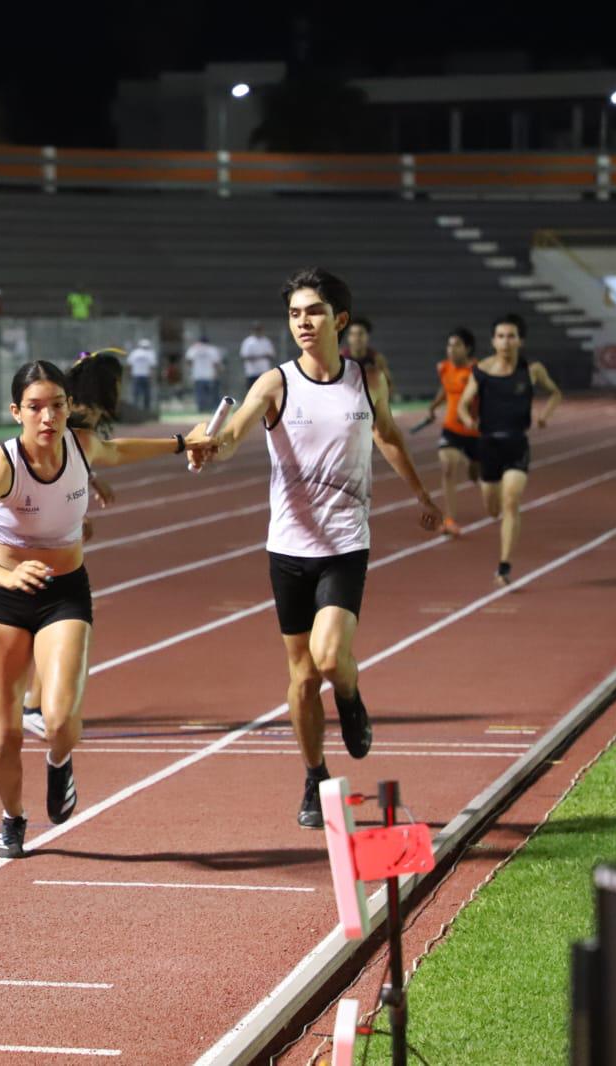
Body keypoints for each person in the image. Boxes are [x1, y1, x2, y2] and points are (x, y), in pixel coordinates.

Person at [187, 268, 441, 830]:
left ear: (340, 320)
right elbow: (231, 437)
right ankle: (314, 773)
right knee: (301, 677)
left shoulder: (366, 380)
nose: (303, 322)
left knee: (329, 660)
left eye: (315, 312)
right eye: (296, 313)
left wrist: (421, 493)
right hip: (288, 549)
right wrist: (210, 446)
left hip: (346, 543)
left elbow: (390, 435)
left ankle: (348, 694)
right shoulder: (275, 384)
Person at [0, 359, 191, 859]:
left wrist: (181, 443)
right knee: (3, 738)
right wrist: (9, 575)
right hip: (4, 599)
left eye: (56, 406)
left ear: (68, 408)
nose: (47, 418)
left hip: (65, 593)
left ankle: (60, 762)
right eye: (35, 408)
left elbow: (120, 449)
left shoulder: (81, 445)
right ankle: (13, 817)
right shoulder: (4, 463)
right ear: (16, 412)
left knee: (59, 719)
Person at [19, 349, 122, 741]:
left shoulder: (84, 420)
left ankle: (35, 704)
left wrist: (92, 486)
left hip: (46, 527)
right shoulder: (75, 418)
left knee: (52, 619)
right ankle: (32, 706)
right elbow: (52, 463)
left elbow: (74, 460)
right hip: (36, 528)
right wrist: (76, 516)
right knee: (52, 621)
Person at [457, 312, 563, 587]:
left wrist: (545, 416)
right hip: (488, 444)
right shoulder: (481, 370)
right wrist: (468, 418)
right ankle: (494, 510)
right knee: (493, 508)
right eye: (501, 336)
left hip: (517, 443)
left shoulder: (532, 370)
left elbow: (555, 392)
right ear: (493, 341)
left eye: (511, 336)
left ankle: (503, 567)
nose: (505, 342)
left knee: (511, 501)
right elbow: (462, 403)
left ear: (520, 341)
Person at [425, 327, 479, 536]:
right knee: (448, 468)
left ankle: (476, 468)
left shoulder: (477, 370)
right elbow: (445, 389)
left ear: (468, 349)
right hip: (451, 429)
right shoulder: (444, 368)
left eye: (457, 345)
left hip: (475, 431)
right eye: (449, 345)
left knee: (478, 473)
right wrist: (433, 406)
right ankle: (449, 519)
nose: (451, 349)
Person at [343, 316, 393, 396]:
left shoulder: (377, 359)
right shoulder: (340, 358)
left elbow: (389, 385)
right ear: (348, 337)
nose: (357, 338)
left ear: (367, 336)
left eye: (360, 334)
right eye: (353, 334)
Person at [184, 334, 223, 413]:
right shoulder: (212, 349)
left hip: (198, 375)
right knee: (212, 394)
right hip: (210, 375)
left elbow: (188, 361)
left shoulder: (194, 349)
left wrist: (193, 368)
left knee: (200, 394)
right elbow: (216, 364)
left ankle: (201, 409)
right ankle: (213, 409)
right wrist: (218, 373)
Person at [239, 322, 276, 391]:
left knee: (265, 391)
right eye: (256, 329)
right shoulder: (248, 342)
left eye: (259, 329)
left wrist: (257, 357)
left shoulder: (266, 341)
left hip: (264, 371)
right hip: (252, 372)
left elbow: (271, 355)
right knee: (252, 391)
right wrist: (261, 356)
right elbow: (244, 356)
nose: (258, 331)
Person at [125, 338, 157, 410]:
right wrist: (152, 376)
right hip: (146, 376)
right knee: (147, 394)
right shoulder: (150, 353)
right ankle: (146, 410)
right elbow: (152, 367)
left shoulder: (134, 353)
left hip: (136, 375)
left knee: (136, 394)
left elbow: (129, 365)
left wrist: (129, 375)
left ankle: (135, 410)